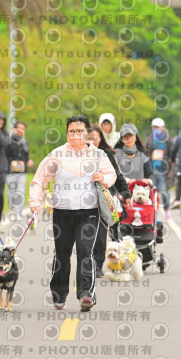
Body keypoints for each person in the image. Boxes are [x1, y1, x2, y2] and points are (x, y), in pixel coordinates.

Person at [29, 116, 117, 312]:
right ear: (67, 133)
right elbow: (40, 179)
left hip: (89, 212)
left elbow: (112, 175)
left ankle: (86, 294)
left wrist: (103, 178)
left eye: (79, 131)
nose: (75, 135)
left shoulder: (98, 155)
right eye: (71, 131)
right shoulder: (57, 154)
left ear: (87, 133)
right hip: (62, 213)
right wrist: (35, 203)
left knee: (85, 252)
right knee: (62, 253)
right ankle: (59, 295)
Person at [87, 124, 132, 278]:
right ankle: (87, 263)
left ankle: (98, 264)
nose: (91, 141)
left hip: (104, 199)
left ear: (100, 138)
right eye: (88, 138)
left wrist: (126, 194)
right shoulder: (79, 155)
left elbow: (117, 176)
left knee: (101, 233)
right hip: (84, 199)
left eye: (94, 138)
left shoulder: (106, 155)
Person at [144, 117, 173, 216]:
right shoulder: (150, 139)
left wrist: (171, 170)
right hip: (151, 170)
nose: (156, 129)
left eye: (158, 127)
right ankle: (151, 213)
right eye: (154, 127)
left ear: (163, 128)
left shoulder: (168, 139)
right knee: (150, 192)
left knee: (164, 191)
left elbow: (173, 155)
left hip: (163, 170)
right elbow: (145, 152)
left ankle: (167, 208)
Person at [5, 121, 34, 219]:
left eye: (23, 129)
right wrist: (11, 162)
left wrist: (28, 161)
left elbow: (26, 156)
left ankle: (18, 213)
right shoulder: (9, 141)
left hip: (22, 171)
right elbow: (5, 155)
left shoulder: (24, 142)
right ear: (15, 129)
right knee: (11, 192)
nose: (22, 130)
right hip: (11, 171)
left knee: (21, 191)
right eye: (20, 128)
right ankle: (12, 209)